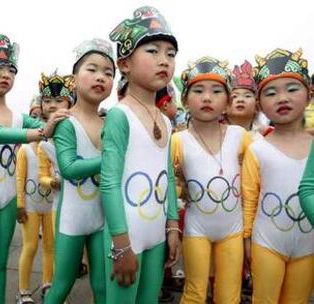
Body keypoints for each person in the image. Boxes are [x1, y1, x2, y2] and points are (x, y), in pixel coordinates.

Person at [0, 34, 69, 304]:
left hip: (8, 196)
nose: (5, 74)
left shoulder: (21, 118)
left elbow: (52, 124)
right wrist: (44, 130)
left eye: (11, 69)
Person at [101, 6, 180, 303]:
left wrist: (173, 225)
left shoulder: (166, 120)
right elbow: (109, 183)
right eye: (152, 51)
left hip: (157, 235)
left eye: (170, 54)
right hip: (126, 236)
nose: (164, 60)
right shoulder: (120, 116)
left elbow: (168, 177)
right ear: (125, 63)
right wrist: (121, 245)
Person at [172, 56, 252, 303]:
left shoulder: (241, 137)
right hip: (197, 228)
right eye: (198, 90)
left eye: (217, 91)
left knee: (229, 295)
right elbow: (169, 186)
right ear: (185, 100)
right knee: (195, 293)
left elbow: (257, 179)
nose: (207, 97)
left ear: (227, 101)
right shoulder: (178, 141)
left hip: (233, 229)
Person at [44, 38, 115, 304]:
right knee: (61, 285)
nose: (100, 78)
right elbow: (69, 168)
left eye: (108, 73)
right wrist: (110, 159)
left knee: (102, 285)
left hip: (101, 216)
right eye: (92, 69)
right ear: (74, 78)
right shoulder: (65, 122)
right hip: (72, 218)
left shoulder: (110, 122)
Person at [243, 48, 314, 303]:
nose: (282, 98)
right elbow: (249, 198)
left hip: (309, 246)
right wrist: (247, 239)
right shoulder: (257, 149)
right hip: (267, 243)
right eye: (271, 93)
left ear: (309, 95)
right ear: (260, 104)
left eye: (292, 89)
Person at [16, 71, 74, 303]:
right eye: (44, 104)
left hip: (53, 205)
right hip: (30, 205)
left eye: (58, 101)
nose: (48, 110)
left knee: (52, 247)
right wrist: (19, 204)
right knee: (30, 247)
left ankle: (49, 285)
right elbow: (20, 179)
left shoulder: (65, 138)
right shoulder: (26, 149)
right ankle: (23, 291)